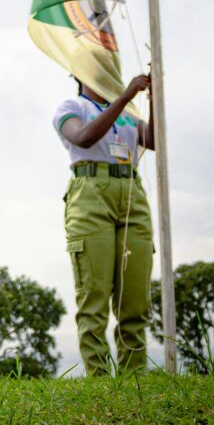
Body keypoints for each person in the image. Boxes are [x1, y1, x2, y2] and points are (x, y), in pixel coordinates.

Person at [54, 73, 154, 376]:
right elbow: (83, 137)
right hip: (91, 194)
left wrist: (155, 98)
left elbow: (156, 140)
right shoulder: (71, 106)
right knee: (94, 296)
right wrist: (124, 97)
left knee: (134, 298)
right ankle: (99, 380)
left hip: (131, 194)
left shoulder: (128, 116)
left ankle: (134, 377)